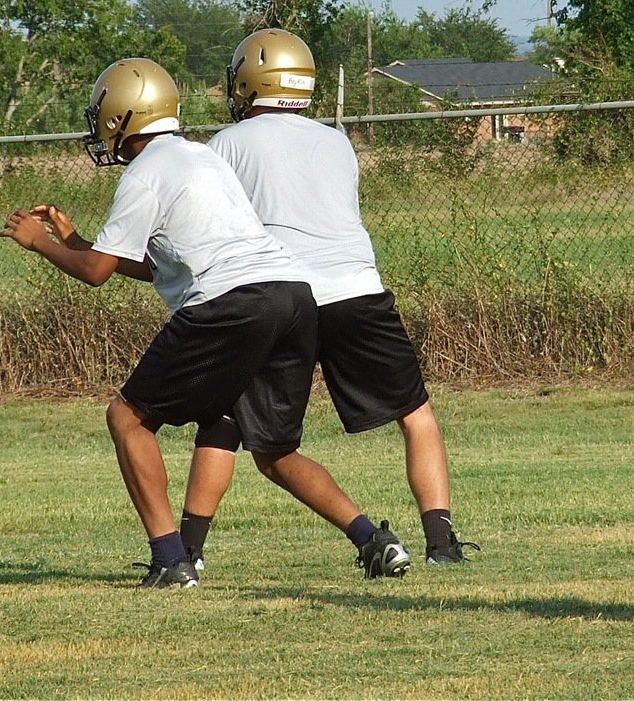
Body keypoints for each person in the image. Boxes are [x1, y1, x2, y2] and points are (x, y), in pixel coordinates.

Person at [0, 58, 409, 588]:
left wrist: (40, 246)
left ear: (123, 114)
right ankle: (374, 542)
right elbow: (157, 266)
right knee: (276, 451)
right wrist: (75, 243)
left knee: (127, 419)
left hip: (232, 301)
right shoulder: (200, 157)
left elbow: (97, 274)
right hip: (291, 294)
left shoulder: (146, 171)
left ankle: (172, 561)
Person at [177, 28, 475, 572]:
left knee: (229, 424)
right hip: (356, 288)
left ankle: (187, 554)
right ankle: (442, 543)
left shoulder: (227, 144)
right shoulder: (336, 140)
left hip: (280, 295)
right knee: (416, 414)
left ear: (249, 81)